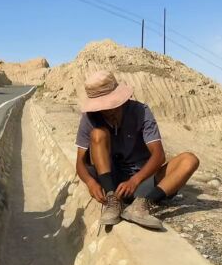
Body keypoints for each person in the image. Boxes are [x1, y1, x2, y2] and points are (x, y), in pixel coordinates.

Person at [75, 70, 199, 229]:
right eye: (103, 107)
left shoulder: (141, 111)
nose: (108, 110)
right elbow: (79, 162)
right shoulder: (89, 118)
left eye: (112, 105)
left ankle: (142, 205)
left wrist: (135, 180)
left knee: (190, 160)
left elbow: (158, 155)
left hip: (141, 181)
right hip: (109, 182)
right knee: (98, 134)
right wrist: (91, 182)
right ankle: (113, 203)